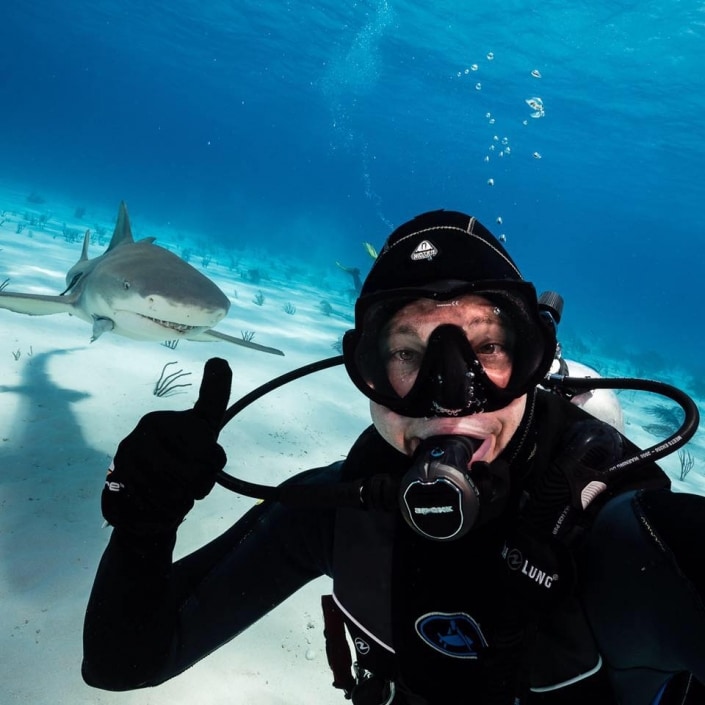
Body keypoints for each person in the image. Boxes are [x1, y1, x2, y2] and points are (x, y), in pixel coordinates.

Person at [82, 210, 705, 705]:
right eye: (408, 354)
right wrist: (144, 527)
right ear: (366, 372)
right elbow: (126, 662)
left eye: (486, 348)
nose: (449, 395)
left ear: (534, 360)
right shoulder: (340, 509)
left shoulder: (630, 537)